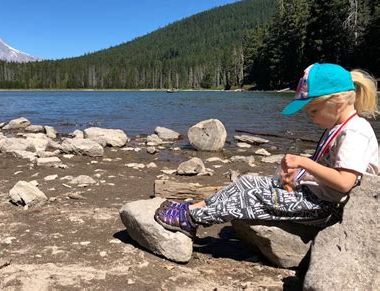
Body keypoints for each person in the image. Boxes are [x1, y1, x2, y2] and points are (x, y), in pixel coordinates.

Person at [154, 63, 379, 238]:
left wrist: (304, 163)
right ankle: (195, 206)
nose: (311, 118)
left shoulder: (355, 132)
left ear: (337, 102)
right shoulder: (338, 126)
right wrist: (296, 176)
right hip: (314, 195)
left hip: (327, 208)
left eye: (313, 111)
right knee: (247, 183)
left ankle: (191, 219)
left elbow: (344, 182)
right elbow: (326, 165)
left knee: (254, 197)